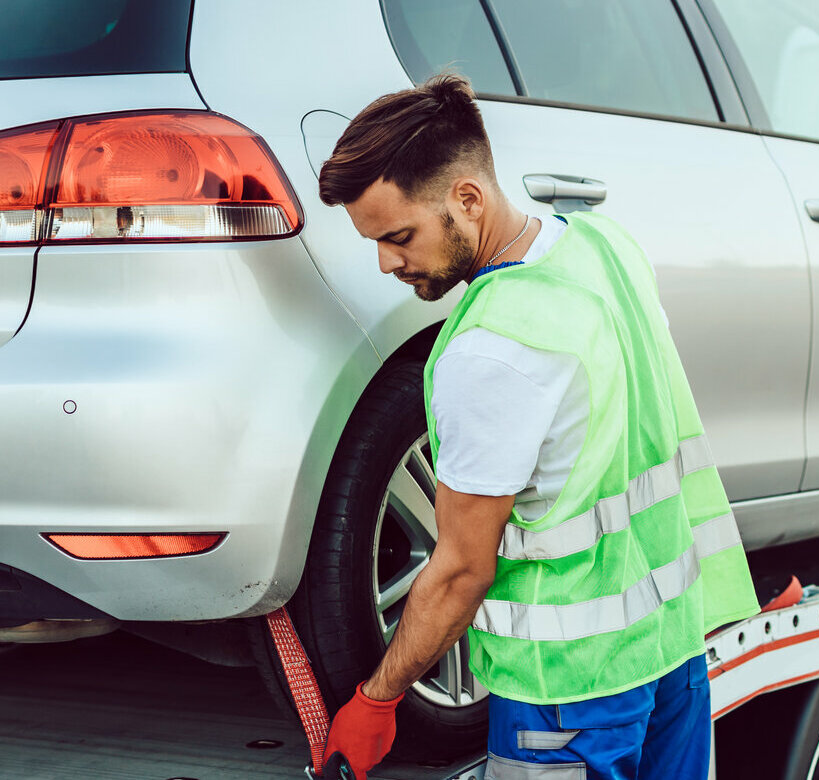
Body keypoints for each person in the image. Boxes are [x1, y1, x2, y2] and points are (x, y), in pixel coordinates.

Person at [313, 74, 760, 779]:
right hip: (671, 654)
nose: (387, 262)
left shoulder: (492, 347)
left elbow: (461, 568)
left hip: (566, 696)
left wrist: (378, 698)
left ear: (467, 197)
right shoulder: (605, 249)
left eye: (399, 236)